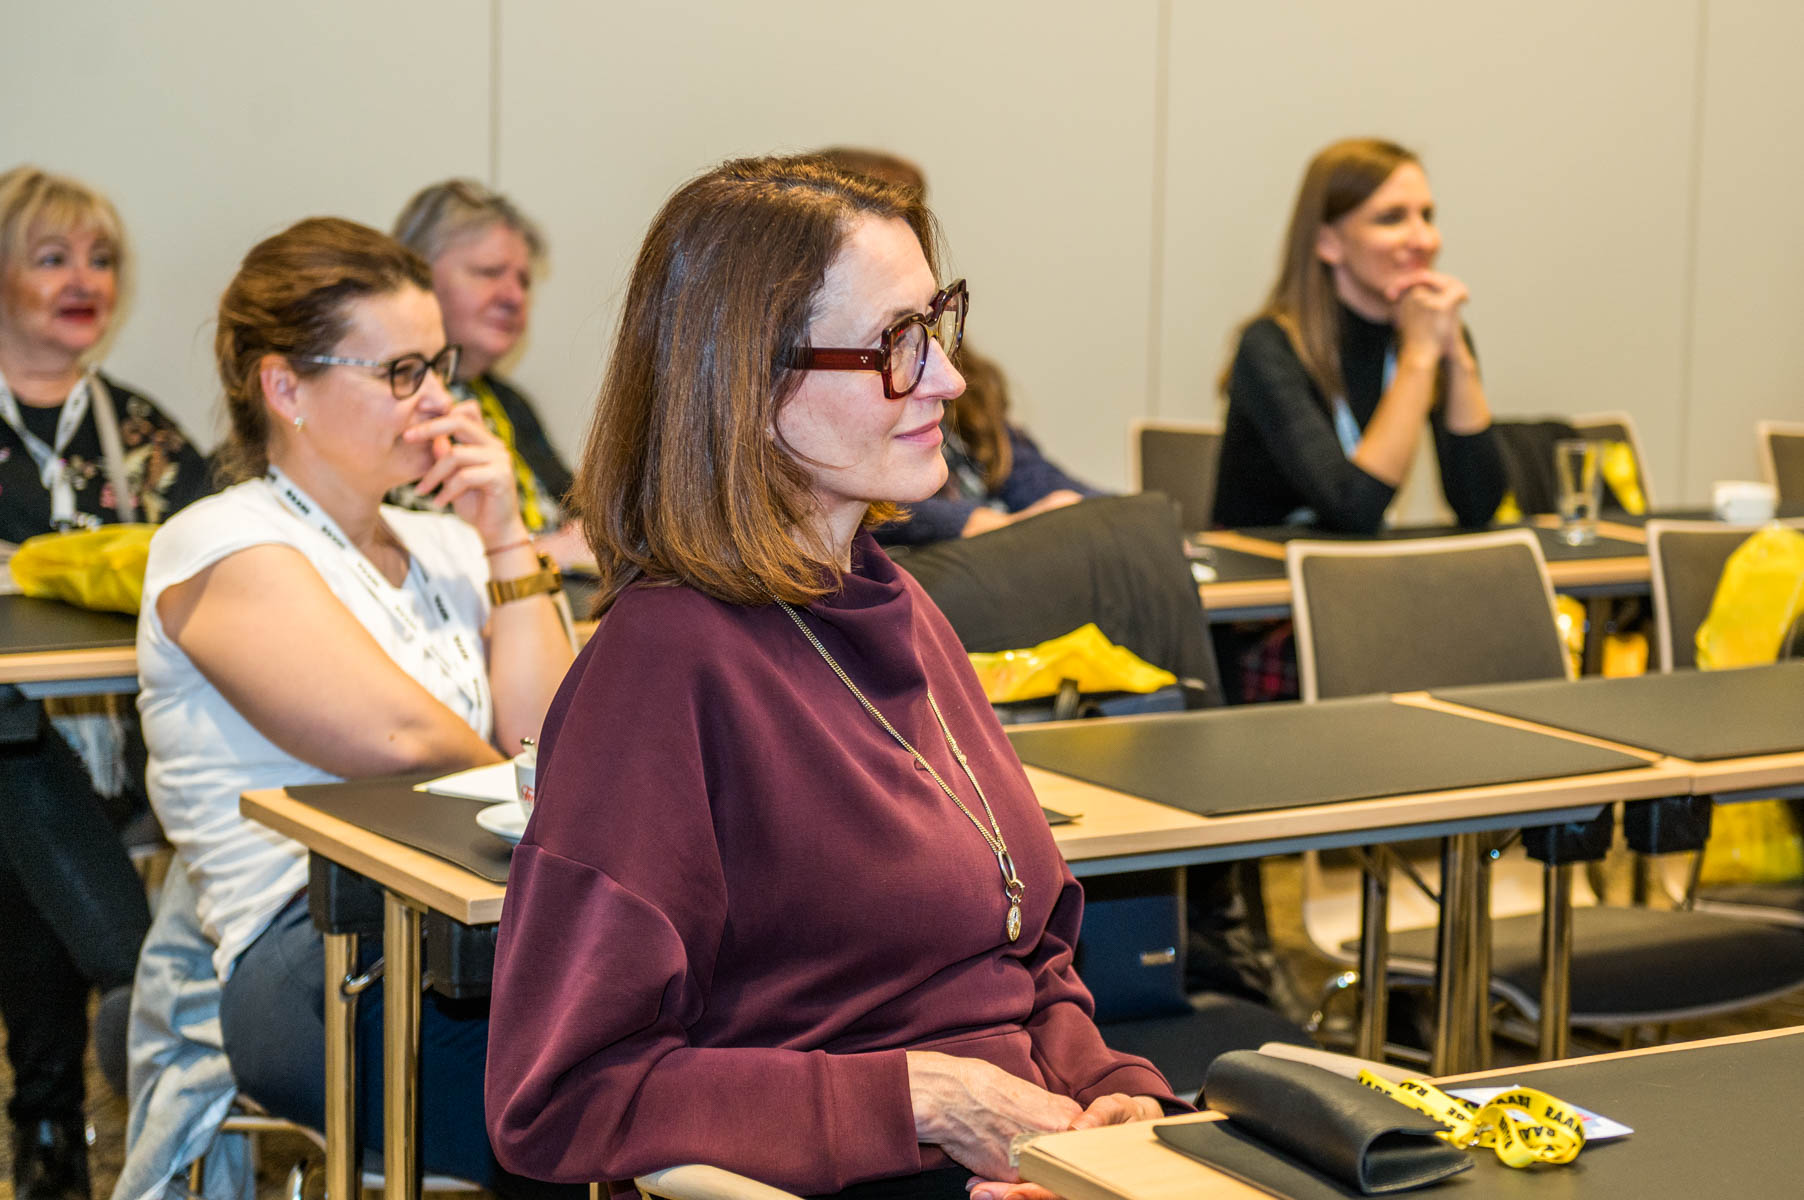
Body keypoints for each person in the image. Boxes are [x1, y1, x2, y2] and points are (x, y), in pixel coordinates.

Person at [484, 156, 1183, 1200]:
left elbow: (1020, 956)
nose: (945, 376)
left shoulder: (892, 603)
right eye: (896, 345)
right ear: (749, 386)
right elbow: (560, 1098)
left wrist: (1107, 1094)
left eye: (936, 326)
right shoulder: (663, 664)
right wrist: (916, 1100)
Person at [132, 217, 574, 1193]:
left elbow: (551, 743)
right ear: (286, 388)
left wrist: (505, 535)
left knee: (688, 1058)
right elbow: (405, 740)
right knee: (594, 1111)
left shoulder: (451, 544)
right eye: (402, 372)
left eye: (440, 366)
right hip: (320, 957)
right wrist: (545, 791)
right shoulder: (220, 543)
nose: (439, 400)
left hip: (487, 924)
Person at [0, 165, 208, 1200]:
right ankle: (125, 994)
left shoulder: (139, 427)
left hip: (128, 753)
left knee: (25, 808)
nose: (83, 279)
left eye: (100, 259)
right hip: (23, 744)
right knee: (11, 752)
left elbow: (222, 549)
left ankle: (47, 1129)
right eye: (52, 258)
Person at [1212, 137, 1504, 533]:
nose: (1424, 240)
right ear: (1328, 242)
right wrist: (1419, 357)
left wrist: (1457, 357)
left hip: (1363, 578)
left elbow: (1480, 505)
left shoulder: (1425, 333)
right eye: (1392, 218)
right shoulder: (1270, 346)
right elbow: (1352, 508)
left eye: (1427, 217)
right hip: (1266, 583)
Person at [812, 148, 1102, 547]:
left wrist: (1130, 517)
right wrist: (976, 524)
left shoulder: (962, 375)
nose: (949, 382)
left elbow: (1030, 476)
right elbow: (856, 504)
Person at [392, 179, 587, 566]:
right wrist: (542, 554)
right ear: (417, 276)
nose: (514, 297)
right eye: (489, 271)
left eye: (524, 281)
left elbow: (581, 523)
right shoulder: (387, 401)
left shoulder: (508, 402)